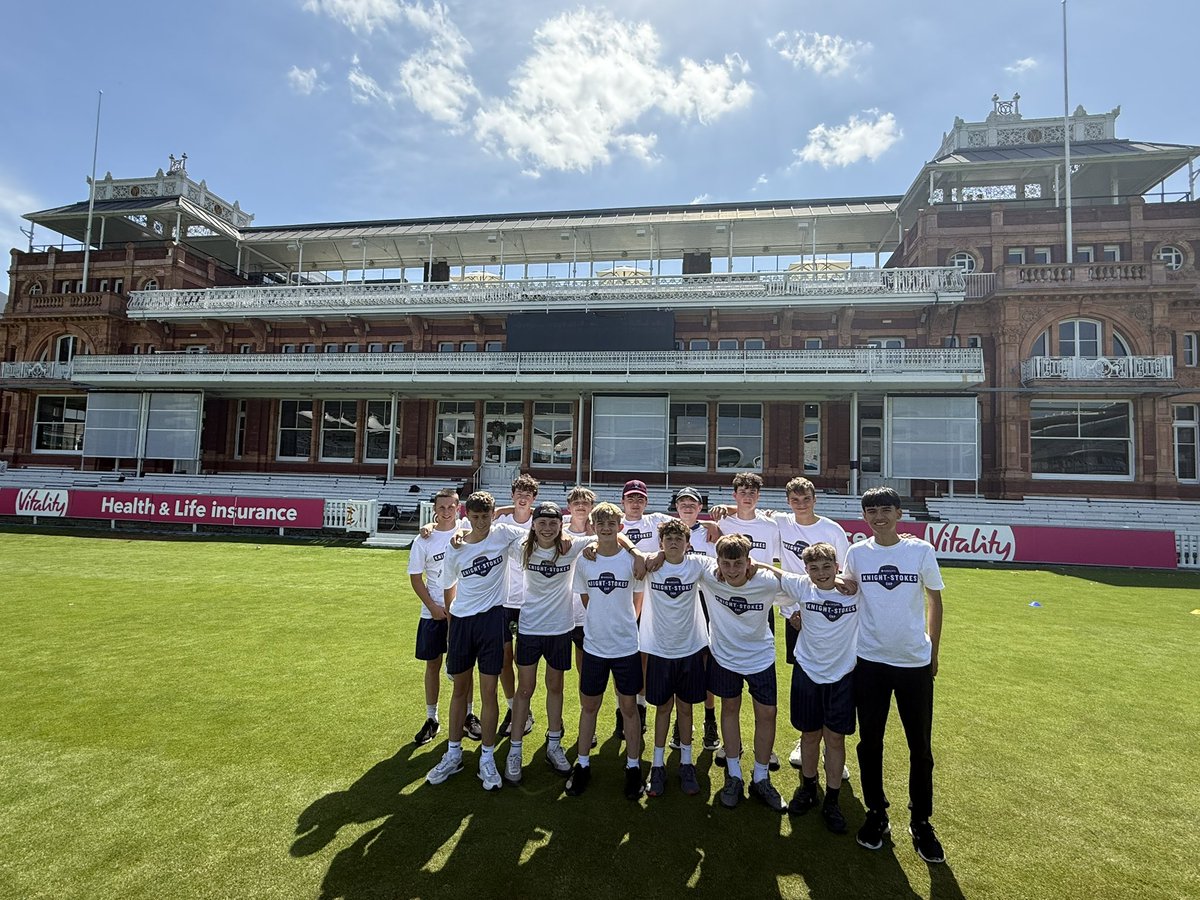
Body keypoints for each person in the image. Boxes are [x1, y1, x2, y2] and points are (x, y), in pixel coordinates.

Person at [843, 486, 946, 864]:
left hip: (913, 663)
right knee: (870, 743)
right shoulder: (856, 554)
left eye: (885, 509)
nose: (878, 516)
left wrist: (933, 652)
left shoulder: (920, 551)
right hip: (869, 662)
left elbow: (935, 600)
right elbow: (845, 591)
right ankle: (877, 813)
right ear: (864, 516)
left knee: (920, 747)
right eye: (871, 511)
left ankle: (921, 821)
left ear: (899, 513)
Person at [425, 491, 527, 791]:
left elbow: (538, 527)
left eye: (486, 516)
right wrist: (451, 626)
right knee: (460, 689)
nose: (481, 522)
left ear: (494, 515)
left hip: (492, 620)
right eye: (475, 516)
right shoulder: (455, 546)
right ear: (466, 516)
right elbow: (448, 586)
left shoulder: (503, 533)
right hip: (461, 622)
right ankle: (453, 753)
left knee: (489, 691)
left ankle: (487, 757)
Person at [696, 534, 791, 813]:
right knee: (729, 708)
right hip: (725, 657)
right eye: (725, 563)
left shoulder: (766, 582)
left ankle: (761, 777)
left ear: (749, 562)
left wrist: (767, 566)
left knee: (767, 714)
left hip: (760, 657)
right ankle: (734, 774)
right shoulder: (709, 575)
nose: (731, 570)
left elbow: (800, 584)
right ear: (717, 562)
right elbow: (675, 558)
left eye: (738, 563)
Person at [565, 502, 648, 800]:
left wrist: (622, 624)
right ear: (593, 527)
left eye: (611, 523)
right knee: (589, 706)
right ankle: (583, 764)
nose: (606, 528)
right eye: (600, 523)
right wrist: (603, 622)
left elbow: (638, 601)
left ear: (620, 527)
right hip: (595, 646)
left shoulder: (632, 561)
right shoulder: (585, 561)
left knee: (629, 708)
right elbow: (586, 599)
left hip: (626, 646)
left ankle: (633, 767)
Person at [505, 502, 592, 785]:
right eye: (542, 522)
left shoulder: (571, 546)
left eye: (553, 523)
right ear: (533, 524)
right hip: (530, 629)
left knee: (555, 687)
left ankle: (554, 744)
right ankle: (514, 750)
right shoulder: (521, 546)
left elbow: (612, 536)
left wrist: (637, 553)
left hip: (560, 629)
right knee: (525, 689)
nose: (547, 528)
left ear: (560, 525)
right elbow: (485, 531)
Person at [778, 542, 859, 834]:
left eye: (827, 567)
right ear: (806, 570)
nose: (821, 573)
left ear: (837, 567)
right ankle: (808, 788)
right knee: (809, 735)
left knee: (835, 738)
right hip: (807, 671)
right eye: (814, 568)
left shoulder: (856, 590)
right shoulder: (802, 586)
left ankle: (832, 800)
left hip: (843, 674)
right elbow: (771, 573)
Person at [771, 476, 851, 772]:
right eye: (795, 500)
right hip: (796, 612)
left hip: (829, 615)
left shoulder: (832, 529)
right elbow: (749, 513)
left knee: (833, 675)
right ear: (788, 502)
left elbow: (846, 573)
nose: (801, 504)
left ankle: (832, 746)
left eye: (806, 499)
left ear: (815, 499)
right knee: (804, 678)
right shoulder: (780, 522)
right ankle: (805, 738)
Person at [715, 472, 782, 771]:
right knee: (729, 695)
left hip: (760, 602)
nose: (747, 496)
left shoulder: (770, 525)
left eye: (753, 491)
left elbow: (777, 562)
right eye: (742, 491)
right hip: (726, 603)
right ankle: (730, 746)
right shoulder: (723, 522)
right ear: (734, 495)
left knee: (762, 690)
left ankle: (765, 752)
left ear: (759, 496)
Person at [640, 517, 709, 798]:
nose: (673, 543)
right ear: (660, 543)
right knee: (662, 708)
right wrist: (651, 555)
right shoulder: (650, 565)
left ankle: (686, 763)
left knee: (686, 708)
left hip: (689, 649)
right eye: (668, 539)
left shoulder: (696, 565)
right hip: (659, 649)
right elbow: (623, 546)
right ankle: (657, 765)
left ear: (688, 543)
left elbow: (728, 562)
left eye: (679, 539)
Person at [407, 488, 481, 746]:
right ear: (434, 509)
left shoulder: (469, 530)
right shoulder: (423, 540)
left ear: (459, 508)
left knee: (466, 667)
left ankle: (469, 716)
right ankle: (432, 718)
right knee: (433, 665)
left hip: (463, 611)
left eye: (451, 507)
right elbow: (416, 578)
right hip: (434, 612)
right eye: (441, 507)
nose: (447, 511)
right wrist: (432, 607)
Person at [670, 487, 721, 753]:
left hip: (707, 602)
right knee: (682, 662)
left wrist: (714, 524)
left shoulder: (712, 533)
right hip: (678, 604)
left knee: (707, 662)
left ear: (700, 507)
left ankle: (710, 719)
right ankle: (681, 721)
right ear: (676, 507)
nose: (687, 506)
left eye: (693, 503)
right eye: (683, 503)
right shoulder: (666, 530)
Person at [495, 474, 540, 740]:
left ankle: (525, 708)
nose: (523, 499)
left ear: (534, 499)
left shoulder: (541, 522)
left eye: (528, 495)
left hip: (530, 602)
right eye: (519, 494)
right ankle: (513, 707)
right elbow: (465, 520)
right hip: (502, 601)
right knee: (503, 659)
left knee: (524, 662)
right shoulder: (500, 521)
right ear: (512, 496)